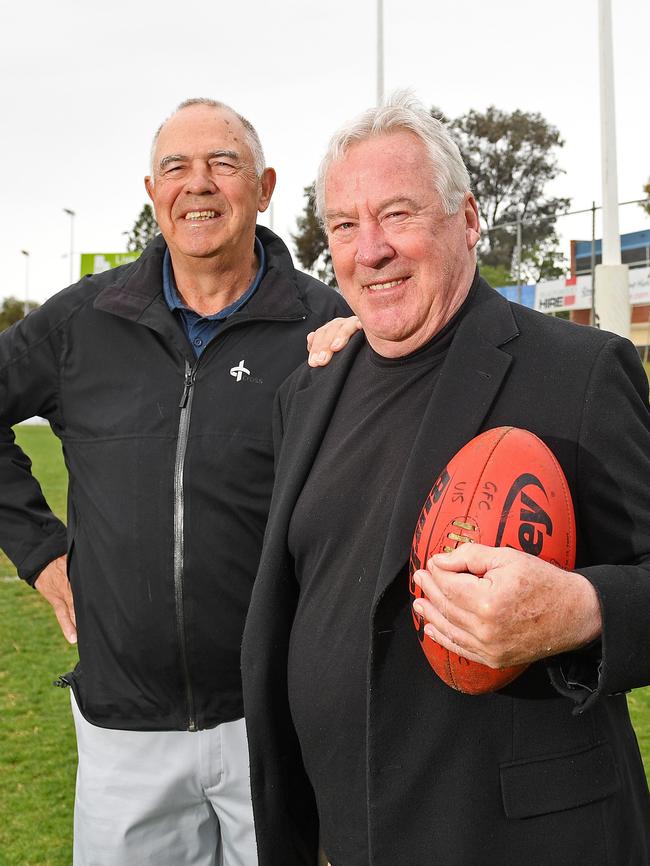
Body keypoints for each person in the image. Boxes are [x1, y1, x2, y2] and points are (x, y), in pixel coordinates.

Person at [241, 92, 650, 865]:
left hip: (512, 841)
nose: (370, 250)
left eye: (398, 215)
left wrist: (586, 609)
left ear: (466, 219)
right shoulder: (308, 389)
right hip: (342, 836)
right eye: (344, 227)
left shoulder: (579, 373)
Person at [0, 98, 354, 866]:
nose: (199, 184)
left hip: (276, 717)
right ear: (152, 191)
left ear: (262, 187)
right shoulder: (80, 323)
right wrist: (37, 549)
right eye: (176, 167)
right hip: (125, 728)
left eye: (223, 164)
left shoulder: (327, 324)